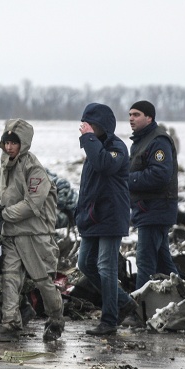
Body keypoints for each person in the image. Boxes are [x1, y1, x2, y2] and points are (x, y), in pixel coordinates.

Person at [0, 120, 65, 343]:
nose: (9, 147)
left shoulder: (33, 168)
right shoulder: (5, 165)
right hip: (11, 234)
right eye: (6, 142)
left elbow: (32, 204)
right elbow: (3, 194)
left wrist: (4, 214)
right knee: (9, 278)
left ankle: (56, 319)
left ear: (24, 143)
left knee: (43, 281)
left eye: (14, 143)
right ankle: (10, 323)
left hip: (34, 235)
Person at [75, 103, 138, 336]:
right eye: (85, 124)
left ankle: (109, 320)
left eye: (90, 124)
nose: (85, 128)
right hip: (92, 217)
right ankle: (123, 302)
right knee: (85, 264)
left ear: (102, 126)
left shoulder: (116, 148)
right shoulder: (94, 149)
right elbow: (87, 187)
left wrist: (89, 140)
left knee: (105, 267)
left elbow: (105, 164)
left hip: (111, 217)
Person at [127, 101, 180, 291]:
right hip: (147, 209)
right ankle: (183, 300)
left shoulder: (158, 141)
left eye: (137, 115)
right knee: (163, 263)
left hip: (156, 208)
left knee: (145, 261)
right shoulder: (142, 140)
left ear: (149, 117)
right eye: (130, 114)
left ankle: (141, 309)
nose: (131, 118)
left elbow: (160, 175)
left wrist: (127, 179)